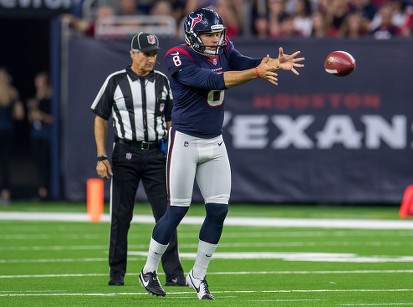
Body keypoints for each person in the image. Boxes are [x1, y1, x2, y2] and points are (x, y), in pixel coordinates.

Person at [138, 7, 304, 300]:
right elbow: (212, 81)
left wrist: (274, 63)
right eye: (208, 34)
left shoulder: (224, 47)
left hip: (214, 142)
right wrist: (256, 72)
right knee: (177, 210)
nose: (215, 40)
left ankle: (197, 276)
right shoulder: (178, 55)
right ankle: (149, 269)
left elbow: (244, 62)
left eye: (217, 34)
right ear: (192, 34)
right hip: (185, 141)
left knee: (219, 210)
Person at [90, 32, 185, 287]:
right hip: (125, 153)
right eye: (146, 54)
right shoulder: (116, 81)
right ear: (132, 53)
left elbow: (171, 121)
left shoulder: (164, 82)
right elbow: (101, 117)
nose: (151, 59)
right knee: (121, 216)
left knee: (167, 214)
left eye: (154, 54)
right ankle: (116, 273)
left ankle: (174, 272)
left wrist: (175, 151)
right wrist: (101, 156)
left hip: (156, 153)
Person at [27, 71, 53, 201]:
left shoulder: (51, 97)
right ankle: (39, 190)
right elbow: (31, 116)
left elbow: (53, 118)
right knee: (37, 165)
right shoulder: (37, 98)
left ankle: (47, 191)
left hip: (47, 136)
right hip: (36, 135)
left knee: (46, 163)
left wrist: (42, 116)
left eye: (40, 81)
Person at [0, 68, 24, 205]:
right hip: (8, 130)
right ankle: (6, 193)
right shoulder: (12, 93)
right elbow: (19, 114)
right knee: (5, 162)